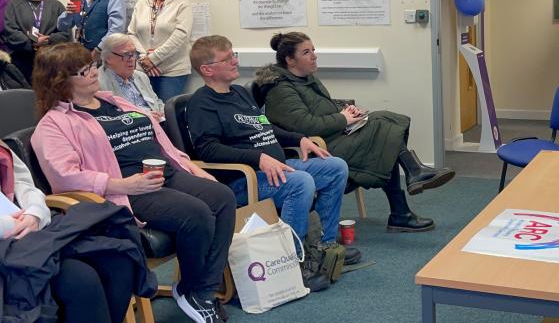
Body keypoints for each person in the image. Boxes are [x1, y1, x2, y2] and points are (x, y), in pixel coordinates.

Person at [30, 43, 235, 323]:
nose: (92, 73)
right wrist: (122, 185)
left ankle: (202, 291)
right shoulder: (54, 125)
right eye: (82, 71)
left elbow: (163, 145)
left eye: (91, 66)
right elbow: (64, 176)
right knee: (196, 213)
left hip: (162, 173)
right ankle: (193, 289)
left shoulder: (113, 101)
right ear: (59, 81)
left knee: (222, 197)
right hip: (125, 188)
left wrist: (191, 168)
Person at [187, 35, 358, 292]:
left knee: (335, 167)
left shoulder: (240, 93)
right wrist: (257, 158)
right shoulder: (202, 103)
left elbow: (265, 127)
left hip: (276, 168)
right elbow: (207, 149)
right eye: (227, 58)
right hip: (244, 181)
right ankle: (293, 262)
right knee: (300, 183)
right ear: (208, 69)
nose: (235, 61)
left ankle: (324, 247)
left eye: (234, 55)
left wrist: (299, 139)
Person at [255, 32, 455, 233]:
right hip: (319, 148)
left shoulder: (307, 79)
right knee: (384, 131)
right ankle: (407, 192)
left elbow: (323, 106)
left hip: (335, 135)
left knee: (385, 129)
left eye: (313, 50)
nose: (314, 56)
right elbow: (304, 125)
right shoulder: (279, 88)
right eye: (306, 52)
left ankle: (406, 195)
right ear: (290, 60)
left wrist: (347, 110)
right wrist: (342, 118)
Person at [0, 139, 149, 323]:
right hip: (8, 239)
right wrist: (9, 225)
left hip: (30, 225)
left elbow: (23, 184)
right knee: (81, 280)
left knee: (117, 258)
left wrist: (35, 213)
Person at [128, 0, 192, 102]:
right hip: (144, 68)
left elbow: (181, 35)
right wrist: (145, 58)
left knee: (166, 113)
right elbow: (131, 33)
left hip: (172, 70)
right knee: (144, 111)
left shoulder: (182, 3)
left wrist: (154, 58)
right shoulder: (141, 4)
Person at [3, 0, 71, 81]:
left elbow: (65, 32)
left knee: (53, 92)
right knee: (28, 95)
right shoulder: (14, 5)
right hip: (24, 61)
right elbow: (10, 31)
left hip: (52, 60)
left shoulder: (56, 5)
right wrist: (32, 43)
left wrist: (49, 39)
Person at [98, 33, 165, 121]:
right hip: (132, 129)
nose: (132, 59)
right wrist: (143, 117)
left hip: (158, 124)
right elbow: (110, 116)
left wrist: (162, 113)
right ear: (108, 58)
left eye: (133, 54)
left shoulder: (141, 76)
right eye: (126, 55)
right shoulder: (98, 83)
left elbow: (157, 102)